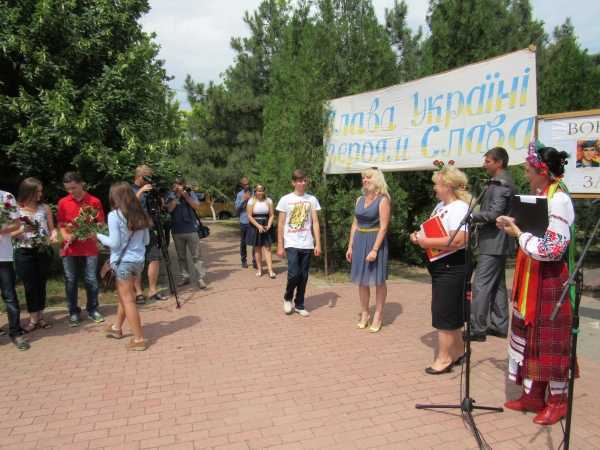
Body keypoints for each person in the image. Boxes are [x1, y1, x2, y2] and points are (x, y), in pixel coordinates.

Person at [497, 145, 576, 426]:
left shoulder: (559, 200)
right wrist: (512, 224)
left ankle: (558, 402)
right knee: (531, 336)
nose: (526, 175)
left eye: (529, 171)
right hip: (532, 274)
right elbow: (535, 232)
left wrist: (519, 234)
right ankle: (532, 395)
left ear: (542, 172)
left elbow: (552, 249)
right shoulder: (542, 195)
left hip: (549, 276)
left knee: (550, 342)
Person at [410, 164, 470, 375]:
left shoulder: (459, 208)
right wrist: (418, 236)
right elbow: (432, 231)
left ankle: (444, 358)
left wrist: (425, 242)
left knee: (443, 311)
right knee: (448, 310)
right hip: (439, 265)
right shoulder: (440, 206)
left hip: (452, 265)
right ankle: (459, 350)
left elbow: (459, 240)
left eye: (437, 184)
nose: (434, 188)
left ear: (448, 186)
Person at [97, 182, 151, 351]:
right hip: (139, 261)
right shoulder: (141, 214)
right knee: (125, 296)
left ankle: (139, 339)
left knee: (128, 300)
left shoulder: (114, 215)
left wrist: (98, 236)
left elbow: (114, 243)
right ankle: (117, 328)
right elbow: (146, 241)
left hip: (123, 262)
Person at [469, 147, 516, 341]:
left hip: (495, 241)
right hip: (495, 241)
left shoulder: (502, 184)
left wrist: (472, 216)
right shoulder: (497, 182)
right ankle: (499, 325)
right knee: (497, 284)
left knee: (480, 285)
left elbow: (495, 213)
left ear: (499, 162)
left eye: (488, 161)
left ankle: (477, 329)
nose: (484, 165)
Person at [57, 172, 105, 326]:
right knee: (70, 280)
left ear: (81, 184)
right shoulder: (63, 202)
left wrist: (91, 230)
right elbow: (61, 224)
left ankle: (93, 309)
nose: (70, 191)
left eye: (73, 187)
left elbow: (100, 223)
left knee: (91, 278)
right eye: (68, 189)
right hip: (70, 248)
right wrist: (66, 236)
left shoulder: (94, 201)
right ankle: (73, 312)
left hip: (89, 246)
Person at [345, 168, 391, 333]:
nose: (364, 180)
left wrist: (375, 249)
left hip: (375, 241)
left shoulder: (383, 200)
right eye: (363, 177)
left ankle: (378, 315)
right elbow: (355, 224)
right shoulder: (359, 199)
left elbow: (383, 227)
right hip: (359, 241)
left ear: (377, 179)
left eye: (368, 177)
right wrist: (350, 246)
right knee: (362, 281)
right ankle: (365, 313)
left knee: (379, 280)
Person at [12, 178, 58, 331]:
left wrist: (53, 236)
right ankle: (33, 319)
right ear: (28, 192)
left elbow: (52, 229)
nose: (40, 194)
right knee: (30, 285)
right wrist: (22, 230)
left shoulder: (45, 208)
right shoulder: (16, 209)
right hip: (24, 251)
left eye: (41, 191)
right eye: (37, 191)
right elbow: (8, 233)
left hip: (42, 250)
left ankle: (41, 317)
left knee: (41, 284)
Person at [276, 169, 322, 317]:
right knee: (293, 274)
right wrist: (280, 245)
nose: (302, 183)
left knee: (304, 276)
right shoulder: (285, 200)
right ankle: (287, 298)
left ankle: (299, 304)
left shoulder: (311, 199)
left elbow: (315, 222)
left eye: (304, 181)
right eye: (299, 181)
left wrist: (318, 243)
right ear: (293, 183)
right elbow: (281, 224)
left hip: (307, 243)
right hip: (291, 242)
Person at [0, 189, 30, 350]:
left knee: (9, 296)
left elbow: (17, 224)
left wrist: (1, 230)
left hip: (3, 256)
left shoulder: (6, 197)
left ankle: (16, 333)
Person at [132, 165, 166, 303]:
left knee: (155, 257)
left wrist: (158, 196)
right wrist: (141, 191)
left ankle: (153, 290)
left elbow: (159, 207)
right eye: (146, 178)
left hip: (150, 229)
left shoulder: (149, 190)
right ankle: (138, 292)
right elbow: (128, 206)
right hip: (135, 230)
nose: (148, 181)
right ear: (139, 176)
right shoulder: (130, 189)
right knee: (137, 261)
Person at [165, 177, 207, 290]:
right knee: (181, 257)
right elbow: (169, 209)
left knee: (196, 255)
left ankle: (200, 278)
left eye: (180, 183)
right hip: (177, 230)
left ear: (183, 184)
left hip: (191, 229)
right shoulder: (170, 194)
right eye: (176, 183)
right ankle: (185, 277)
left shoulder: (190, 193)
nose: (178, 185)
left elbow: (197, 206)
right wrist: (177, 196)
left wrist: (186, 196)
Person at [246, 184, 275, 278]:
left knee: (268, 248)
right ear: (255, 191)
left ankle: (270, 270)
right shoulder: (251, 201)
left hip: (266, 224)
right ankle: (259, 269)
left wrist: (269, 224)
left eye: (261, 190)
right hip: (255, 225)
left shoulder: (269, 200)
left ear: (264, 191)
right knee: (257, 248)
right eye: (258, 190)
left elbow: (271, 215)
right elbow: (249, 216)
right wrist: (258, 226)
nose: (260, 192)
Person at [235, 176, 256, 269]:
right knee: (243, 242)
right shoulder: (239, 194)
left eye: (248, 184)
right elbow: (237, 208)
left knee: (255, 242)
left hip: (254, 221)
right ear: (242, 185)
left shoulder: (254, 193)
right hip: (244, 221)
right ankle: (244, 261)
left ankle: (255, 261)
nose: (247, 185)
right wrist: (244, 200)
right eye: (244, 184)